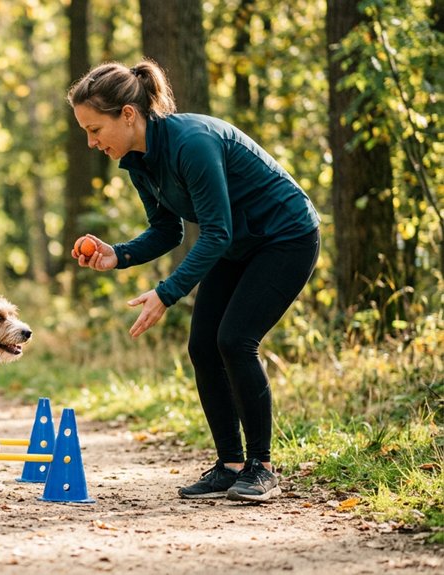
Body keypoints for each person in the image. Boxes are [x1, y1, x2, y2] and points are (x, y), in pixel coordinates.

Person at [67, 59, 320, 502]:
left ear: (128, 115)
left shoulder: (192, 142)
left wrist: (166, 293)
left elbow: (216, 230)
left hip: (286, 237)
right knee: (203, 344)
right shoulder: (138, 160)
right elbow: (169, 230)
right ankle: (230, 464)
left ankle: (262, 467)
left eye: (94, 129)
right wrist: (118, 254)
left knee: (235, 340)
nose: (91, 142)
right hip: (239, 243)